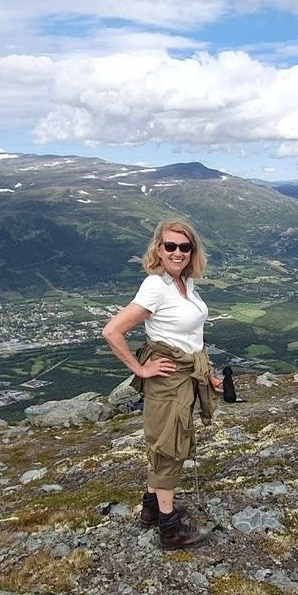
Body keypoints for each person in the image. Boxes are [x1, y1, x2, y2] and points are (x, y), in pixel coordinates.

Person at [102, 220, 219, 550]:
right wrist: (140, 367)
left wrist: (205, 372)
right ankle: (170, 529)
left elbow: (190, 335)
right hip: (168, 381)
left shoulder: (183, 283)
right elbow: (112, 331)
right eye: (170, 246)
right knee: (170, 445)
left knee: (167, 439)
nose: (178, 252)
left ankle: (151, 508)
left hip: (185, 374)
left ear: (192, 251)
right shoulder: (156, 285)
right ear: (158, 249)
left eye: (185, 247)